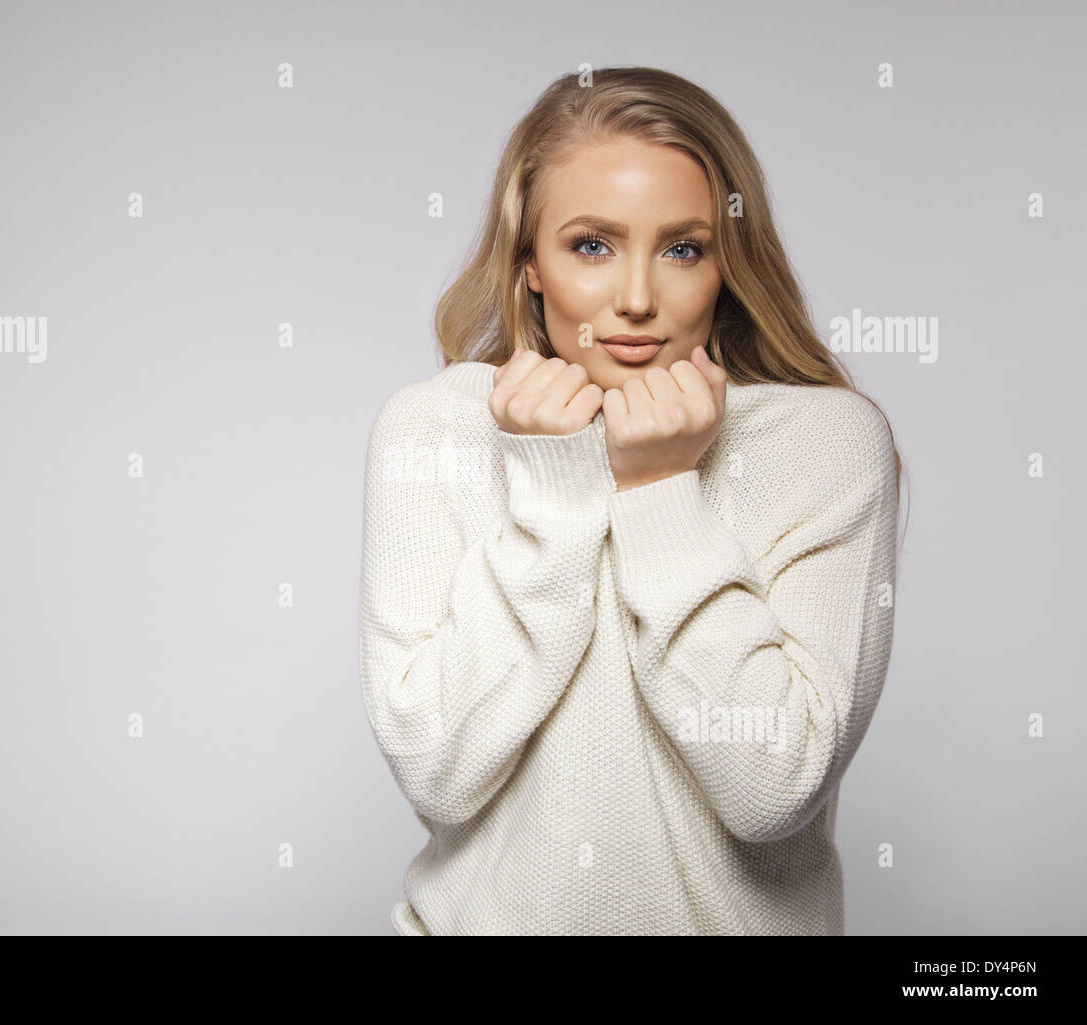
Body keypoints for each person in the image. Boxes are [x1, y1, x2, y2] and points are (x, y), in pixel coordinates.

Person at [357, 66, 906, 936]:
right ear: (528, 262)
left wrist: (658, 491)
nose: (639, 298)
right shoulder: (436, 431)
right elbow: (436, 764)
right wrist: (555, 492)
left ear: (728, 262)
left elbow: (774, 783)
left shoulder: (824, 443)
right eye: (592, 245)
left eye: (682, 248)